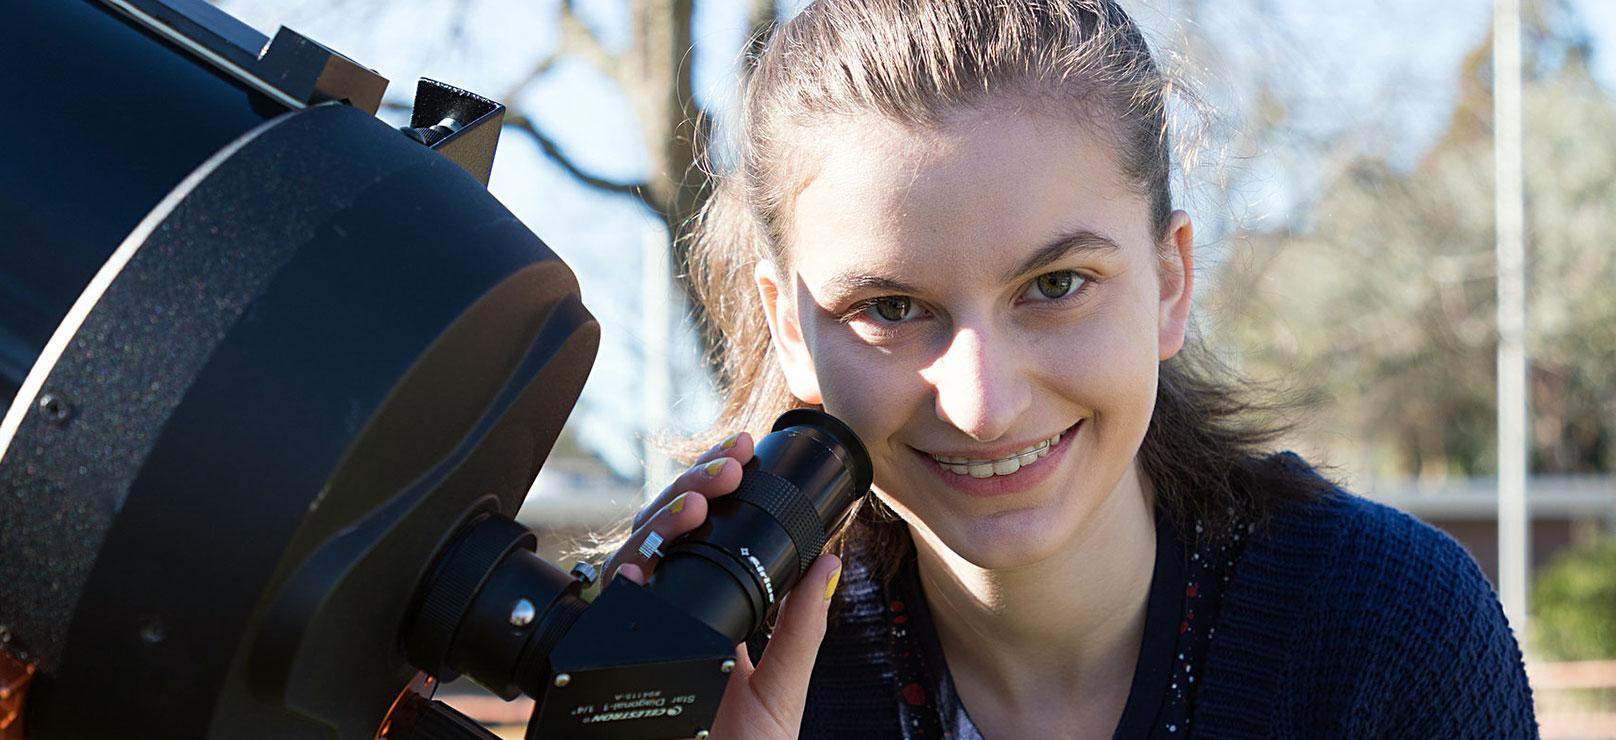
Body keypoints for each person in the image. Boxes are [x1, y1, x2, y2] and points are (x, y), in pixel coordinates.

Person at [595, 0, 1539, 737]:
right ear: (789, 331)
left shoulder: (1387, 628)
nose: (984, 406)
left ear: (1171, 282)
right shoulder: (731, 676)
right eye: (890, 309)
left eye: (1055, 285)